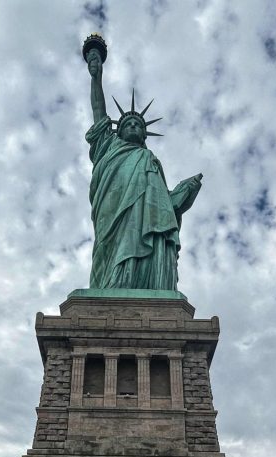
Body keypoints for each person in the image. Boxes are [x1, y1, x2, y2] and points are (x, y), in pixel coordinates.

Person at [83, 44, 202, 291]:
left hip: (145, 219)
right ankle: (113, 286)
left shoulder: (150, 161)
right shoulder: (108, 146)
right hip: (112, 212)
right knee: (109, 250)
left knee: (150, 239)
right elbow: (98, 111)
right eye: (129, 124)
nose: (134, 127)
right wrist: (96, 77)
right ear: (119, 130)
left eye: (139, 125)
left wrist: (184, 191)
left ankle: (146, 285)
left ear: (145, 134)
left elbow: (163, 207)